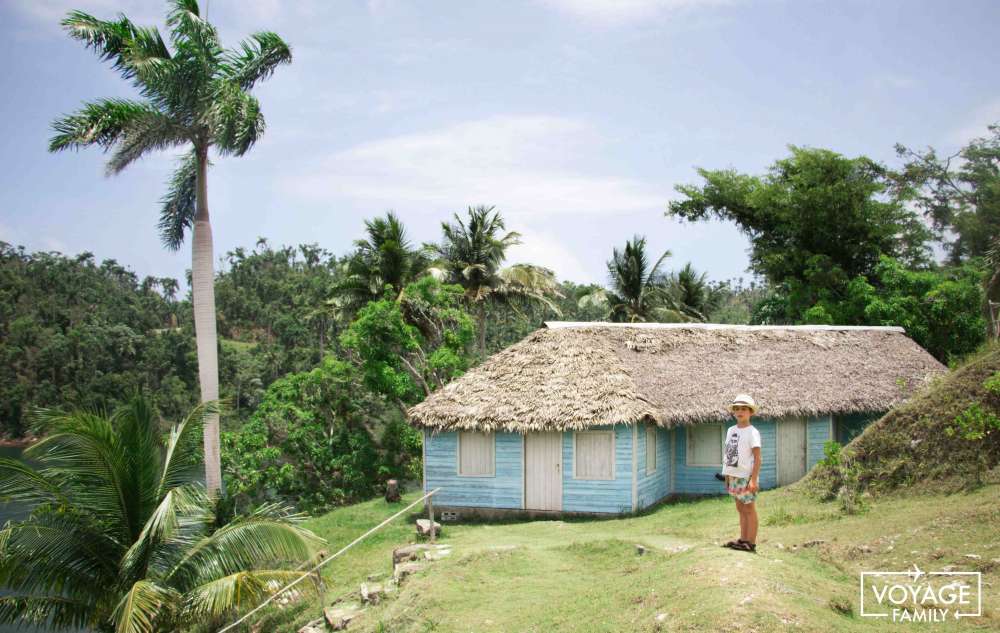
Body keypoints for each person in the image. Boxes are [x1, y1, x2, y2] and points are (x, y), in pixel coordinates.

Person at [721, 394, 761, 553]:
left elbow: (758, 458)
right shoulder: (731, 430)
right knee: (740, 508)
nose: (740, 411)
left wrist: (754, 480)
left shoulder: (753, 432)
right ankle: (743, 539)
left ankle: (751, 543)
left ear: (750, 412)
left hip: (746, 476)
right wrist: (727, 475)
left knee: (749, 509)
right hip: (733, 476)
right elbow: (729, 454)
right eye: (737, 409)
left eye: (744, 409)